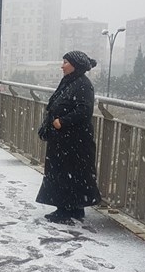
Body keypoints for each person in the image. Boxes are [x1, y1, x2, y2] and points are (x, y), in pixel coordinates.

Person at [35, 50, 103, 224]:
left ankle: (66, 209)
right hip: (65, 139)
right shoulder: (70, 81)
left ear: (75, 65)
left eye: (65, 62)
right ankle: (73, 206)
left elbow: (84, 110)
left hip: (73, 139)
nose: (62, 65)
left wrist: (61, 122)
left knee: (68, 172)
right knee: (68, 171)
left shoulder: (82, 84)